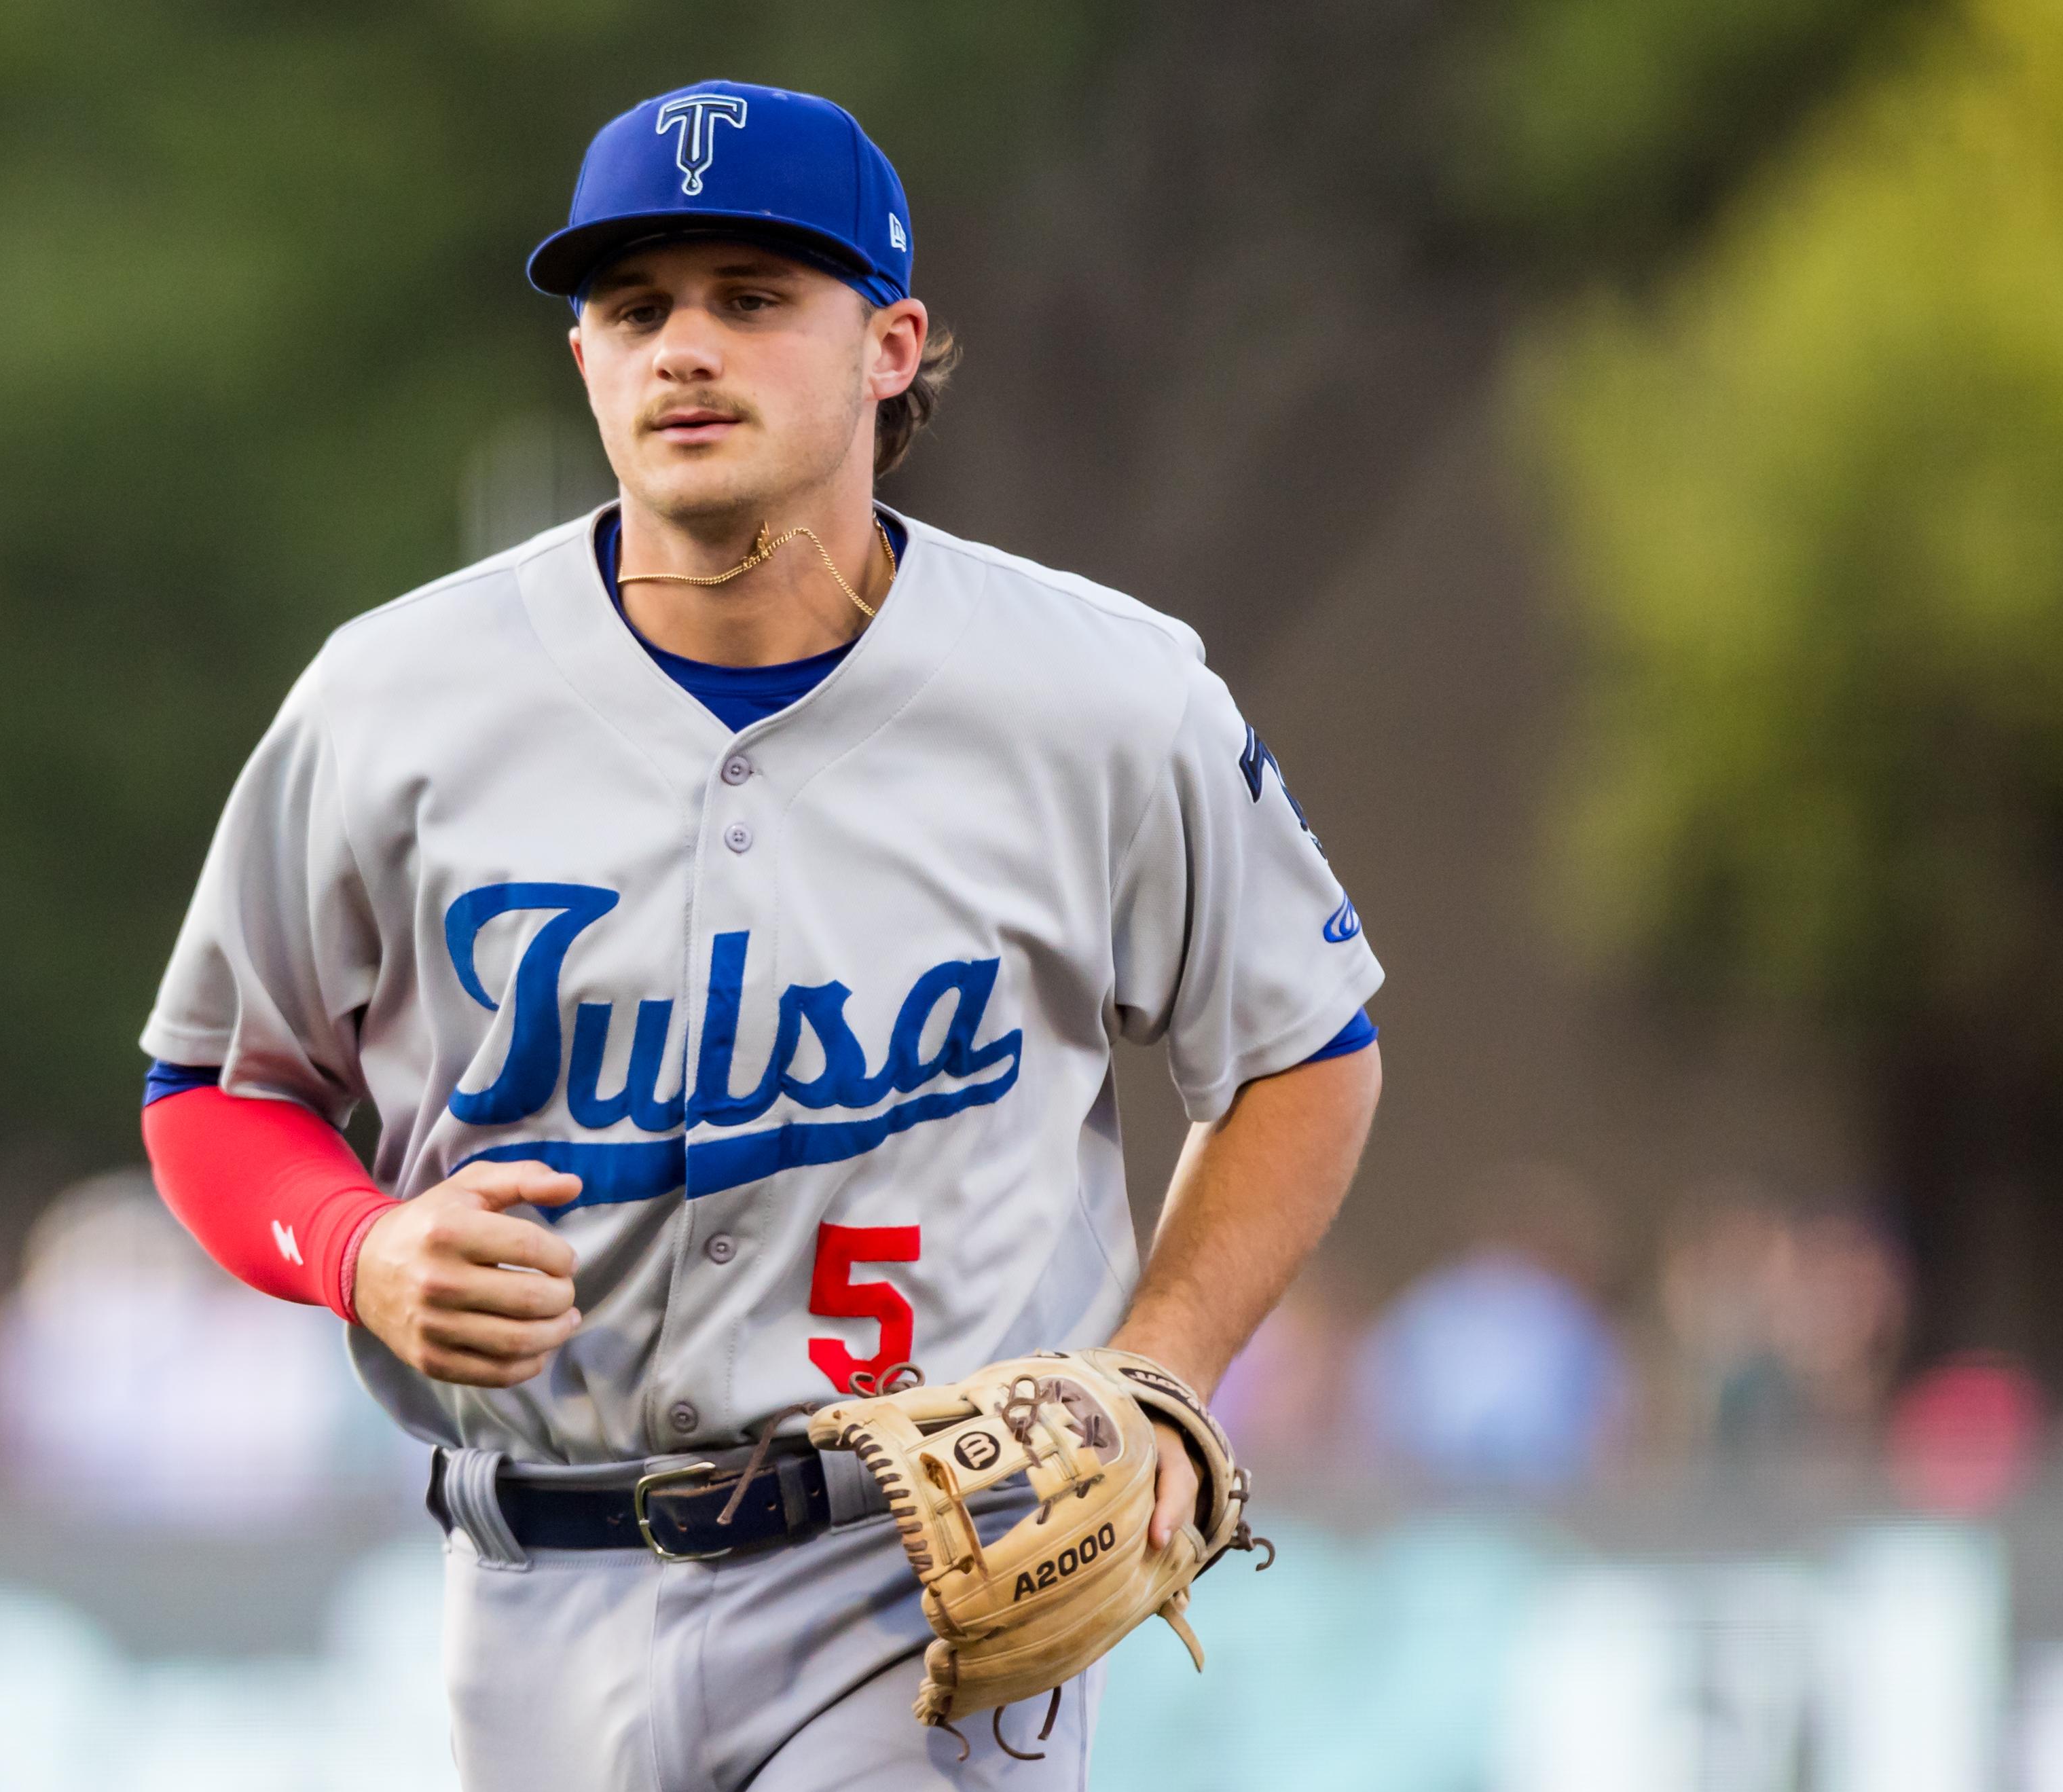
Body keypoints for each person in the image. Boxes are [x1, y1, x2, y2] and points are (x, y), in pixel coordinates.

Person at [136, 79, 1384, 1789]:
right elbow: (214, 1090)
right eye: (635, 307)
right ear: (582, 359)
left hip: (919, 1573)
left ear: (891, 344)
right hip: (530, 1591)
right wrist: (362, 1251)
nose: (684, 348)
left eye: (753, 298)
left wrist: (1163, 1367)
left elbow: (1305, 1049)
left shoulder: (1103, 693)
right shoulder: (396, 700)